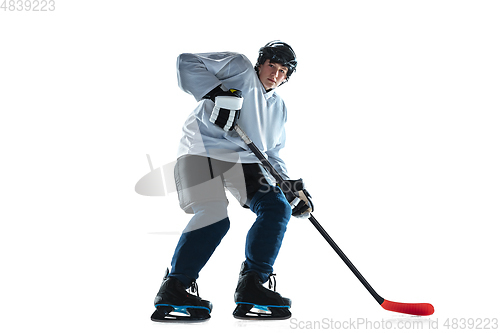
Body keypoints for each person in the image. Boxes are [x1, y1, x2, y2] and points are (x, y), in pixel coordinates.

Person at [151, 41, 313, 322]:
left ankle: (253, 284)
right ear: (260, 63)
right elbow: (186, 61)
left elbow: (271, 154)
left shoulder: (278, 108)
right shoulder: (238, 68)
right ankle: (175, 286)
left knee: (276, 206)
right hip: (200, 151)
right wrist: (215, 94)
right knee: (213, 215)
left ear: (287, 77)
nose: (275, 73)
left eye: (282, 70)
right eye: (271, 65)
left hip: (244, 163)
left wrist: (288, 186)